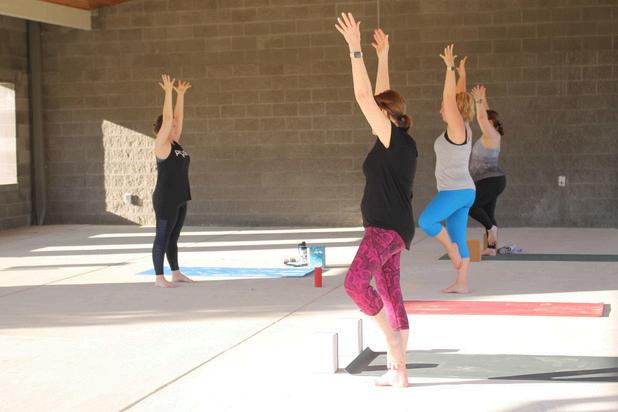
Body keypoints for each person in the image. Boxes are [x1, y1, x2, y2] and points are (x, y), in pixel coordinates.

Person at [336, 13, 417, 387]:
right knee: (390, 292)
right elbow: (382, 95)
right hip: (395, 229)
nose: (370, 115)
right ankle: (398, 372)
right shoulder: (398, 140)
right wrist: (383, 55)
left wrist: (355, 49)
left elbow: (364, 96)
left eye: (376, 112)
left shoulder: (393, 140)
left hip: (384, 229)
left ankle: (392, 346)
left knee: (355, 283)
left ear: (386, 116)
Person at [418, 45, 476, 294]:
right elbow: (458, 96)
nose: (441, 108)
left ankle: (450, 249)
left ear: (454, 110)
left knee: (426, 221)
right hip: (463, 191)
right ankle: (462, 283)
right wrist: (462, 75)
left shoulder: (457, 128)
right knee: (458, 236)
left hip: (455, 191)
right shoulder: (463, 128)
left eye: (444, 106)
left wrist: (450, 68)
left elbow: (451, 98)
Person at [151, 74, 193, 288]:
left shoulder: (175, 143)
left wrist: (181, 95)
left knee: (173, 237)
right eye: (171, 126)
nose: (175, 127)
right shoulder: (161, 145)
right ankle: (159, 278)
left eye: (176, 126)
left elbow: (176, 118)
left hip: (180, 196)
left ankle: (176, 273)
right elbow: (169, 119)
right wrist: (168, 92)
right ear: (163, 129)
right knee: (162, 236)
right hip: (166, 198)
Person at [469, 85, 506, 255]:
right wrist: (483, 98)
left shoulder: (493, 135)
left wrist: (477, 101)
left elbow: (483, 118)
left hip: (490, 180)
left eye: (487, 121)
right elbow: (486, 114)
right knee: (488, 213)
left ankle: (491, 229)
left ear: (492, 124)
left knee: (472, 207)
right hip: (489, 181)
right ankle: (492, 248)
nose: (483, 122)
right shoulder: (489, 134)